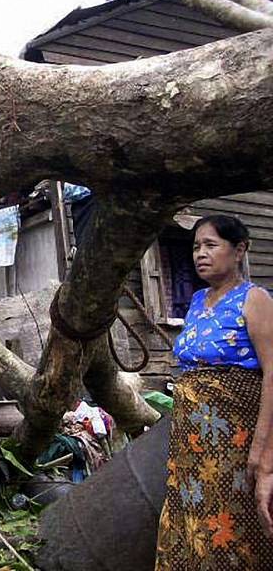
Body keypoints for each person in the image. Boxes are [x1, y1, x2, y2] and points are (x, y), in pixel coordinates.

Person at [155, 215, 273, 569]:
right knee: (192, 529)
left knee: (234, 531)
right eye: (195, 247)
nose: (200, 254)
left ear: (239, 250)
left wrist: (264, 454)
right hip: (192, 449)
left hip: (235, 446)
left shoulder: (254, 300)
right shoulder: (196, 301)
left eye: (211, 245)